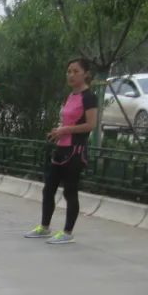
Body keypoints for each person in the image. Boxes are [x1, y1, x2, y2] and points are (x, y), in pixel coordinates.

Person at [24, 57, 99, 244]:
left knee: (70, 192)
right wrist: (58, 132)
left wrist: (66, 130)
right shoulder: (70, 96)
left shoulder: (89, 96)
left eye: (76, 71)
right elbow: (68, 121)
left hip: (75, 150)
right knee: (48, 189)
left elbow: (90, 125)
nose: (71, 75)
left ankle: (67, 232)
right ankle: (44, 227)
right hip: (61, 148)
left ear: (86, 74)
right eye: (69, 71)